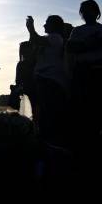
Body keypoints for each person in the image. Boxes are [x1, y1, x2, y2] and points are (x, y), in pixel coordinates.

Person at [66, 0, 102, 129]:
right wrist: (89, 43)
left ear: (96, 12)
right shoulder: (77, 31)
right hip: (81, 71)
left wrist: (82, 45)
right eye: (83, 11)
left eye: (88, 10)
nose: (85, 14)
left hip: (99, 71)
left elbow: (101, 44)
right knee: (81, 106)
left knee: (98, 106)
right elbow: (70, 48)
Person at [26, 14, 71, 142]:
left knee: (49, 113)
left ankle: (51, 139)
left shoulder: (56, 38)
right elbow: (34, 41)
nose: (44, 25)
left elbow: (36, 39)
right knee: (44, 113)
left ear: (54, 25)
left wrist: (31, 28)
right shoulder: (49, 39)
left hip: (51, 81)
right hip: (45, 80)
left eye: (47, 23)